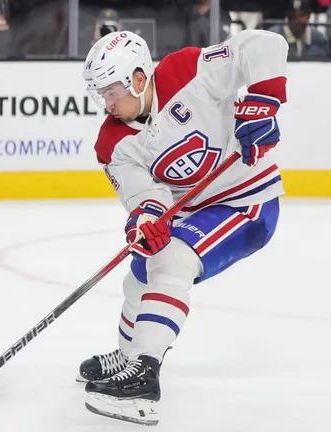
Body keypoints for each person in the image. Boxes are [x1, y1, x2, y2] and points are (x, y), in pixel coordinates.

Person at [80, 29, 288, 425]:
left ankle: (143, 377)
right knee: (140, 272)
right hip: (191, 211)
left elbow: (263, 44)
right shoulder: (112, 142)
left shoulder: (186, 70)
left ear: (139, 79)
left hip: (246, 202)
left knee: (172, 261)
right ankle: (126, 359)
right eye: (100, 95)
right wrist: (145, 217)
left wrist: (264, 100)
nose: (105, 104)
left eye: (110, 92)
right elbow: (144, 194)